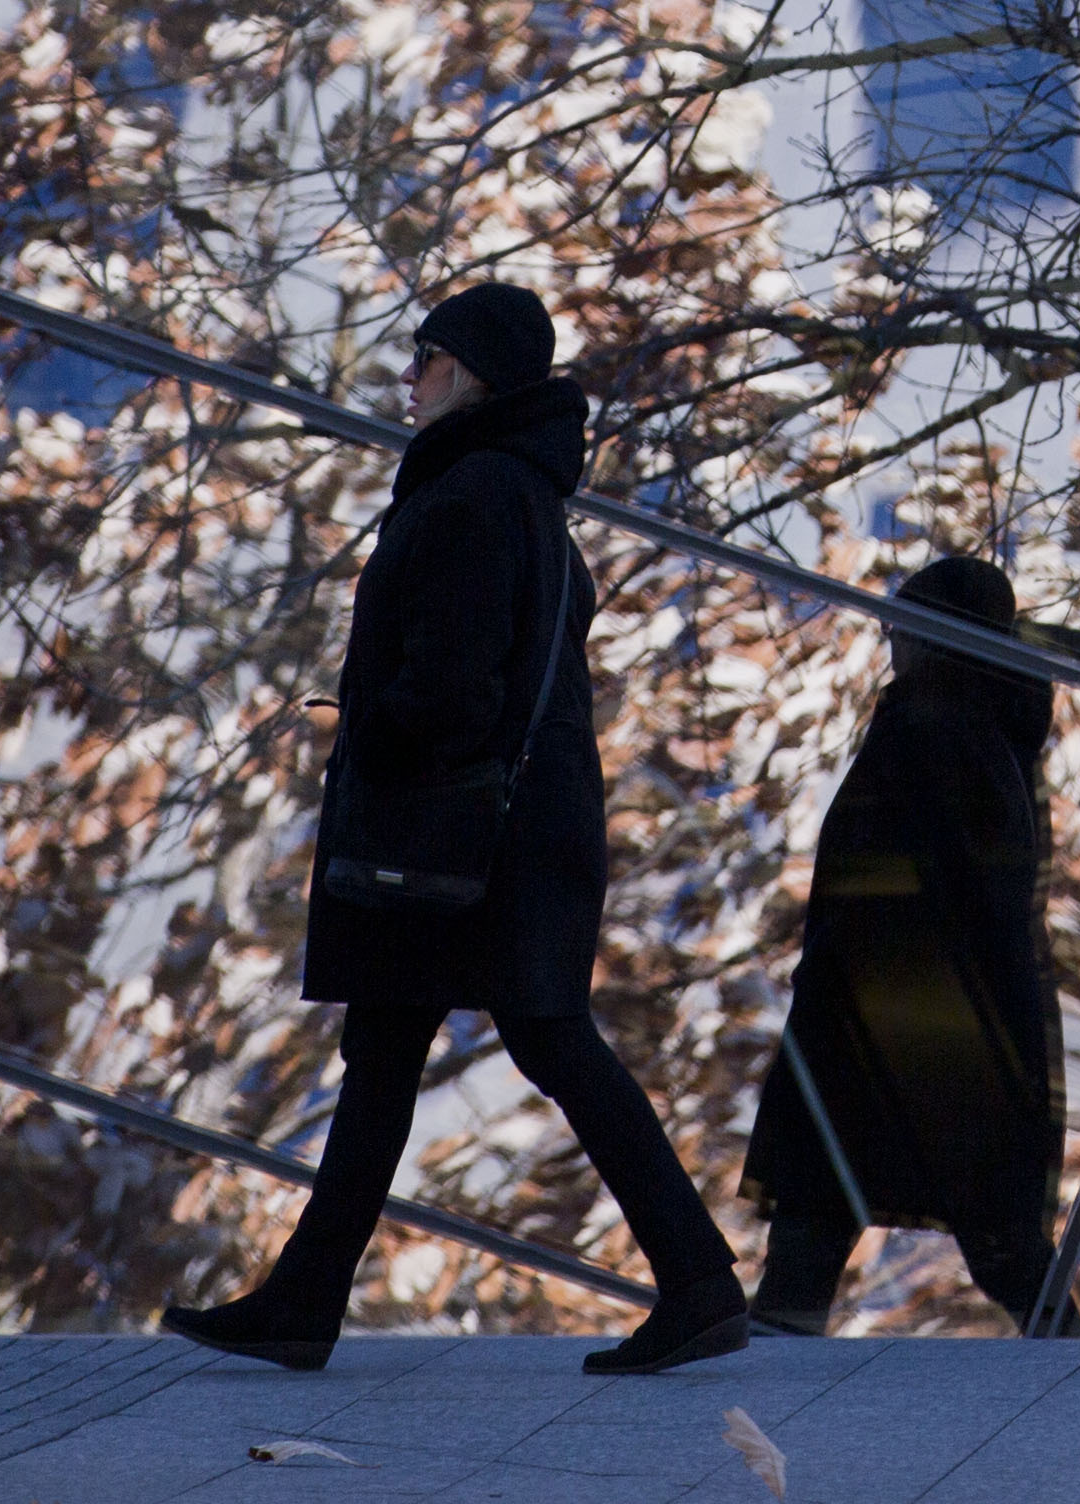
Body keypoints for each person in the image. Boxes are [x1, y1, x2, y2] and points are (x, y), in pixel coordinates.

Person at [161, 283, 751, 1376]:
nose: (408, 375)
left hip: (471, 839)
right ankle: (308, 1299)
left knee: (530, 1042)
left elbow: (451, 688)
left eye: (424, 355)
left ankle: (699, 1281)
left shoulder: (473, 495)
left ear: (471, 371)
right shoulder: (521, 492)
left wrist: (372, 741)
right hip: (518, 831)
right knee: (410, 1049)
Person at [747, 552, 1079, 1335]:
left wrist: (834, 971)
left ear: (938, 636)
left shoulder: (933, 729)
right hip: (945, 1023)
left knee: (816, 1220)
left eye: (907, 621)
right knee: (992, 1240)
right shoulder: (988, 731)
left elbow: (886, 880)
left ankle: (755, 1390)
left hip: (887, 1018)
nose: (892, 636)